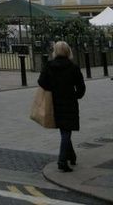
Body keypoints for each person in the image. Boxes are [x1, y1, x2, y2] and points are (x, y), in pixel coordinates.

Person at [37, 41, 86, 172]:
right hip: (69, 102)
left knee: (64, 130)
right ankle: (62, 161)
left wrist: (51, 88)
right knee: (66, 130)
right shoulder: (73, 67)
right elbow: (81, 87)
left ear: (55, 51)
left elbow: (41, 82)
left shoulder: (49, 65)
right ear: (68, 51)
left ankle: (72, 156)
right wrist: (76, 95)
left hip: (54, 101)